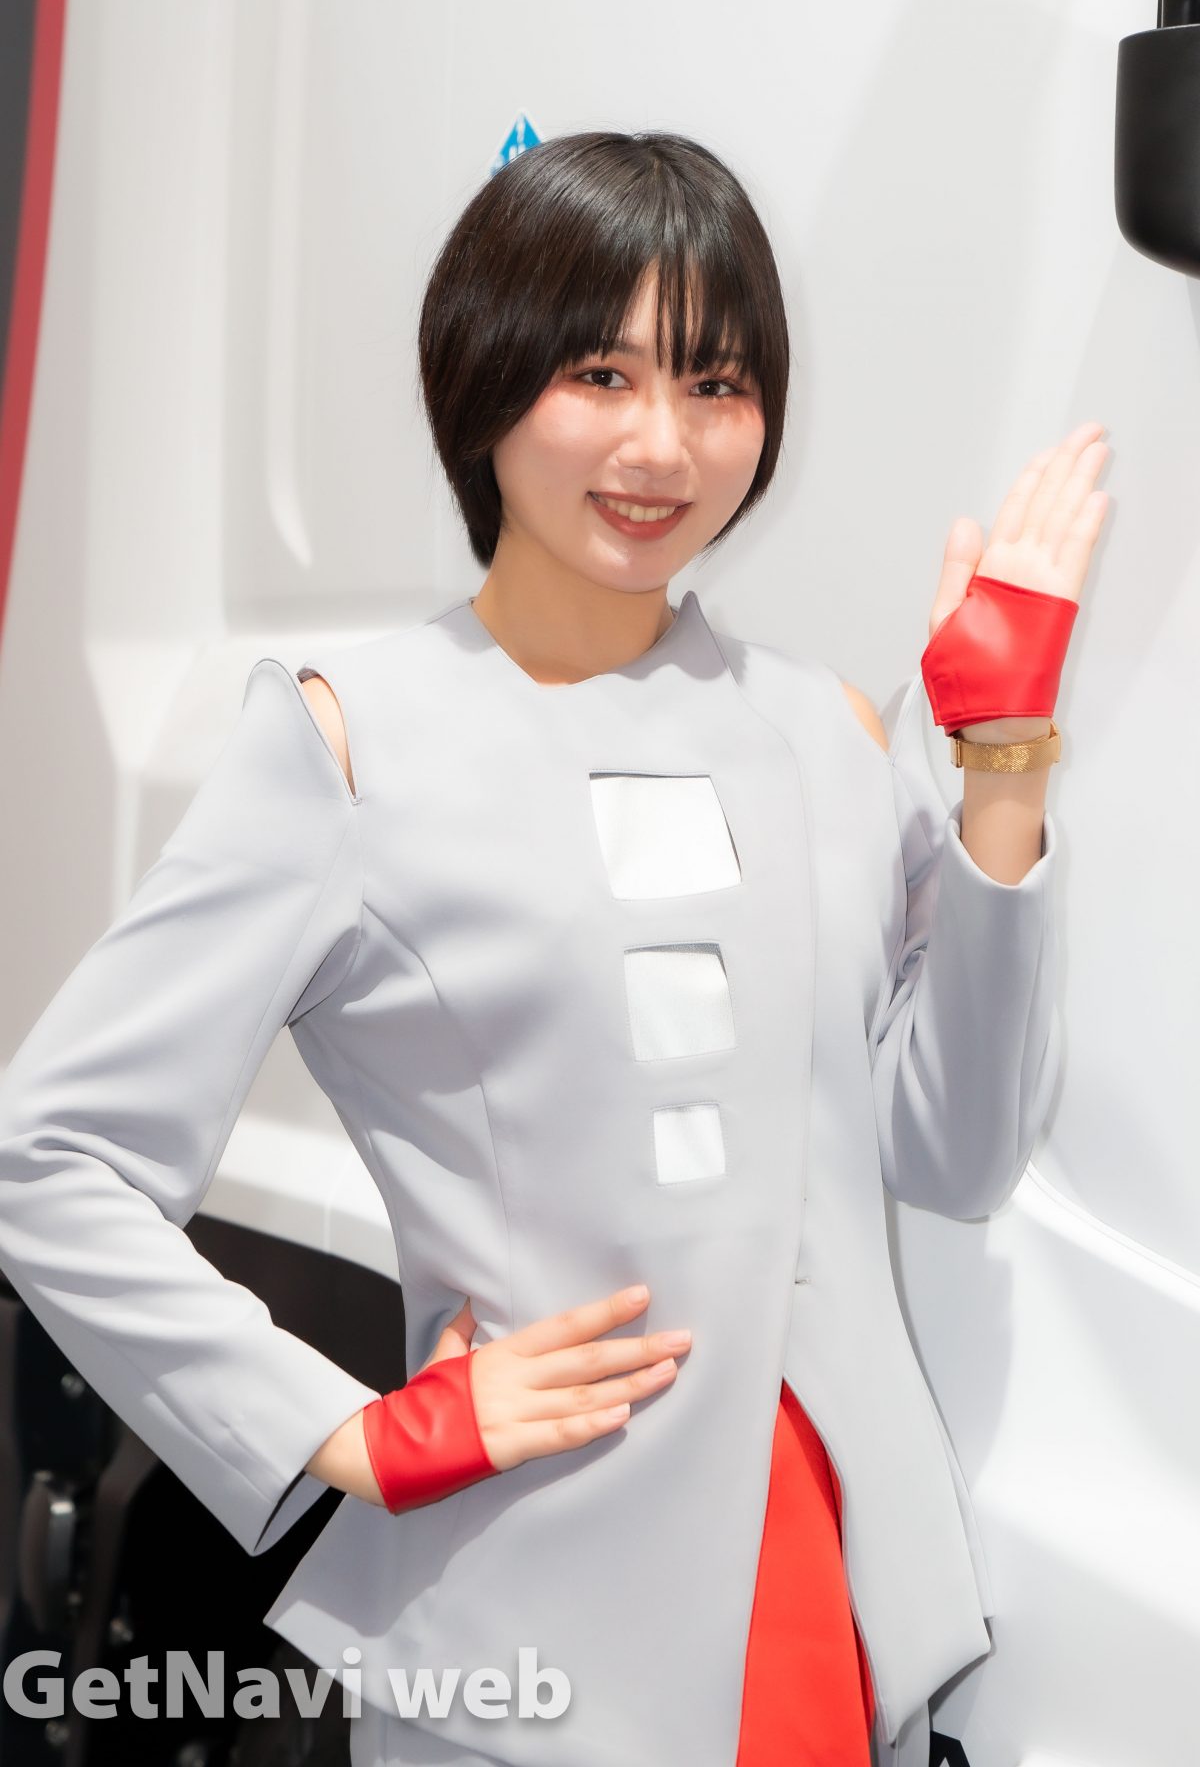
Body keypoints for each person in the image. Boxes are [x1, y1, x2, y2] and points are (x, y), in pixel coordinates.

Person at [0, 130, 1108, 1767]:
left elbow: (955, 1150)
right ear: (486, 376)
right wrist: (342, 1431)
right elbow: (52, 1157)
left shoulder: (825, 730)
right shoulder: (352, 742)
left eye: (717, 385)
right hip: (534, 1628)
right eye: (603, 373)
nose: (664, 443)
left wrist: (1001, 758)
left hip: (839, 1595)